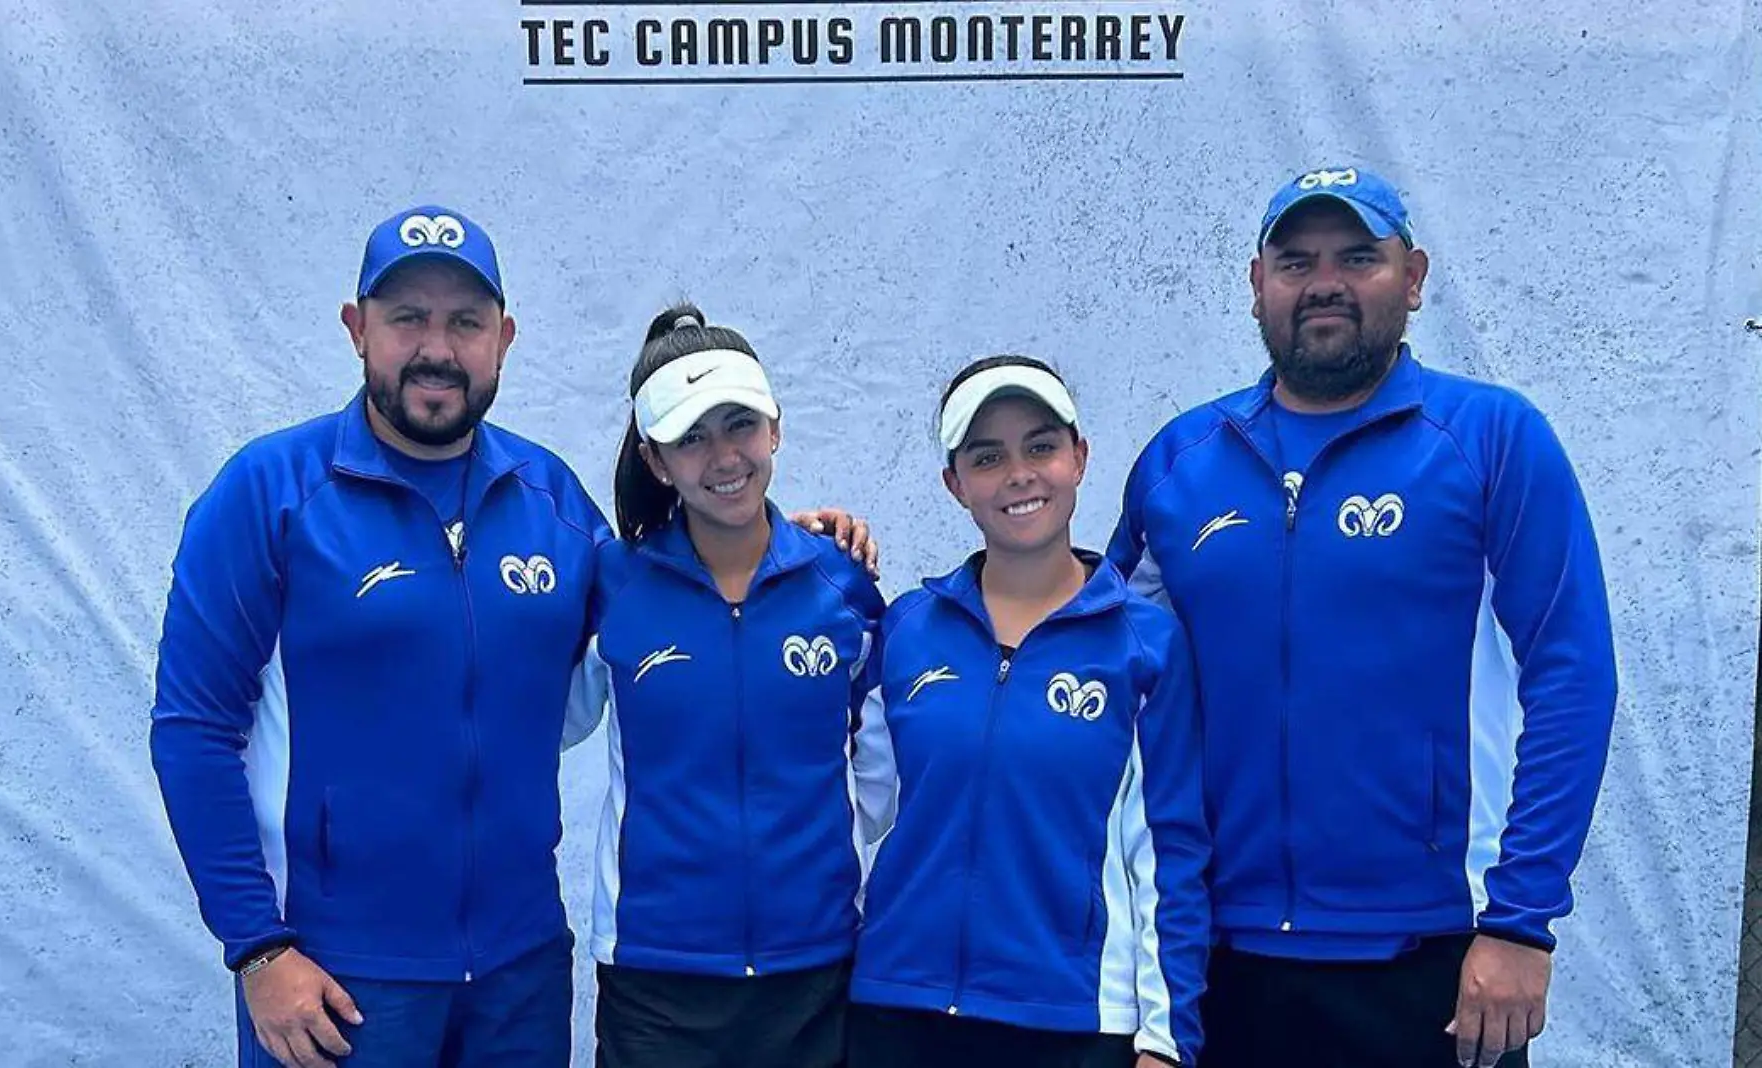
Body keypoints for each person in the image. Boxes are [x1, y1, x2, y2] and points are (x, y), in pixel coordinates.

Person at [148, 206, 874, 1068]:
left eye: (465, 322)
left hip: (519, 976)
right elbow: (193, 731)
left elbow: (677, 591)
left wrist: (783, 544)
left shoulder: (554, 503)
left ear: (504, 338)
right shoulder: (267, 493)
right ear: (357, 329)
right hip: (338, 977)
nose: (437, 348)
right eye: (406, 317)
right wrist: (258, 949)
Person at [1106, 166, 1618, 1068]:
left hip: (1437, 961)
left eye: (1358, 257)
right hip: (1221, 959)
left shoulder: (1492, 437)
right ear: (1257, 284)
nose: (1325, 283)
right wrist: (834, 549)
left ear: (1413, 277)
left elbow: (1573, 676)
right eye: (1296, 262)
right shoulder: (1180, 463)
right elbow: (1085, 648)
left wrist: (1521, 923)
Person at [846, 355, 1212, 1068]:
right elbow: (850, 812)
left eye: (1041, 446)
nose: (1019, 473)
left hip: (1071, 1021)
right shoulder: (908, 630)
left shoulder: (1145, 646)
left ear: (1078, 457)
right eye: (988, 457)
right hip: (900, 1013)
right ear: (955, 484)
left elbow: (1168, 854)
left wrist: (1166, 1042)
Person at [560, 304, 887, 1068]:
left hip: (816, 970)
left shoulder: (843, 584)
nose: (723, 456)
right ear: (655, 458)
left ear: (775, 428)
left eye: (739, 424)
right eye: (691, 437)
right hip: (656, 978)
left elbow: (881, 783)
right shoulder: (612, 585)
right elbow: (543, 724)